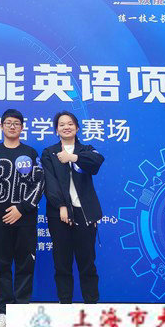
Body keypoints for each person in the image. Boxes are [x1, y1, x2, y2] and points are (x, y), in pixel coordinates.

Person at [0, 109, 44, 327]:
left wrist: (21, 208)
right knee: (2, 264)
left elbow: (39, 184)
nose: (12, 126)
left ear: (22, 127)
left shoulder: (30, 152)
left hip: (25, 219)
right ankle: (4, 311)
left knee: (25, 264)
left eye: (16, 123)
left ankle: (22, 311)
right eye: (8, 123)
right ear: (1, 126)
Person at [41, 111, 104, 304]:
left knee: (87, 263)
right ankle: (65, 303)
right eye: (61, 124)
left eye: (70, 124)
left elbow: (97, 162)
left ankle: (91, 304)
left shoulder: (86, 150)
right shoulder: (49, 153)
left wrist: (73, 157)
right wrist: (61, 205)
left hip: (85, 213)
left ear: (77, 128)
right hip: (59, 214)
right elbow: (49, 183)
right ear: (56, 130)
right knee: (62, 263)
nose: (66, 127)